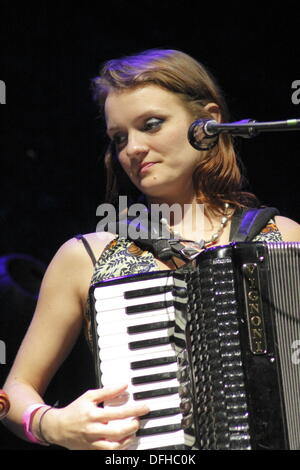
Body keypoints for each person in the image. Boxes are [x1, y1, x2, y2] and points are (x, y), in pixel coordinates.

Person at [2, 48, 300, 451]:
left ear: (209, 122)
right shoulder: (85, 257)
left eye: (152, 124)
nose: (133, 149)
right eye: (119, 137)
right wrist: (51, 424)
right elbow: (11, 395)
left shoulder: (284, 238)